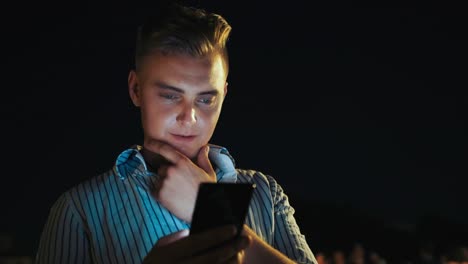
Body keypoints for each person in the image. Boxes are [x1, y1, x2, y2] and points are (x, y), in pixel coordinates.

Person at [35, 2, 317, 263]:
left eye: (206, 99)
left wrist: (212, 213)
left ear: (224, 95)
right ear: (136, 90)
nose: (189, 117)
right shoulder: (80, 210)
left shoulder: (266, 194)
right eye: (170, 96)